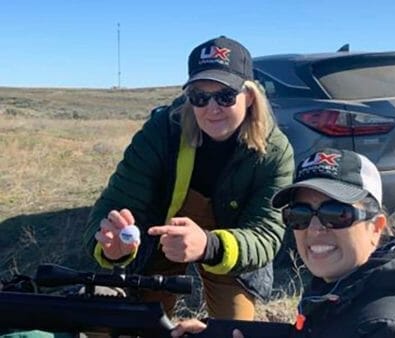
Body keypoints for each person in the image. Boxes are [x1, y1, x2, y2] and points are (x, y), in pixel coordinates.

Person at [83, 35, 295, 320]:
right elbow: (115, 202)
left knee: (234, 328)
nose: (212, 108)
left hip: (229, 244)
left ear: (250, 96)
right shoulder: (161, 132)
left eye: (225, 96)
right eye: (199, 97)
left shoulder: (275, 151)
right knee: (143, 323)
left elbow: (266, 235)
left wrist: (209, 245)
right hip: (158, 236)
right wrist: (112, 248)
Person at [172, 148, 395, 337]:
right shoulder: (350, 287)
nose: (315, 229)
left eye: (336, 214)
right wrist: (217, 330)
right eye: (299, 214)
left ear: (376, 228)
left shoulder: (386, 329)